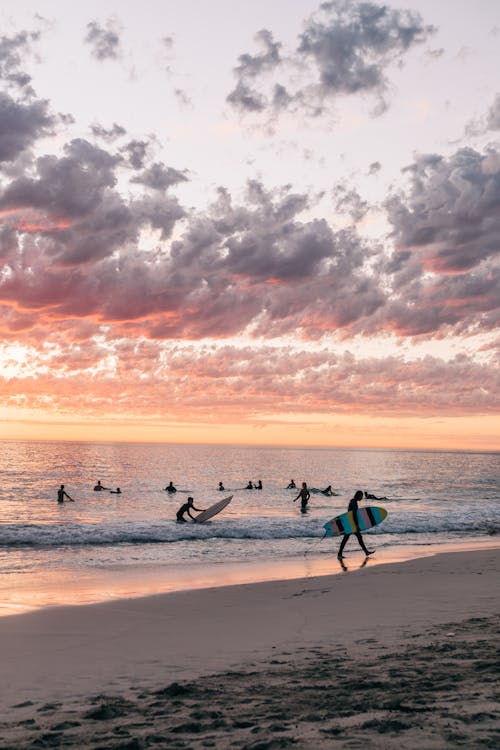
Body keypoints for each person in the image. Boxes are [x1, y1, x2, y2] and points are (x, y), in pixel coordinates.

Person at [338, 490, 375, 560]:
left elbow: (350, 513)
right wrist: (356, 524)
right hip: (352, 524)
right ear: (359, 496)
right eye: (361, 496)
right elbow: (354, 514)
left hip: (349, 523)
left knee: (352, 538)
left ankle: (340, 554)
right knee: (351, 538)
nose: (362, 498)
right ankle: (365, 552)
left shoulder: (352, 501)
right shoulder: (354, 503)